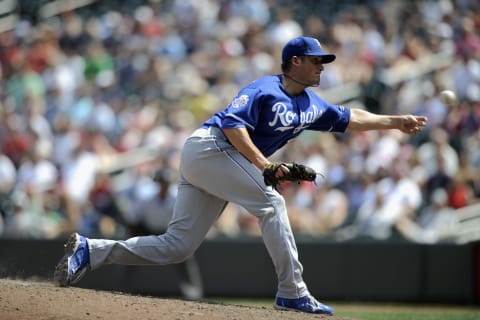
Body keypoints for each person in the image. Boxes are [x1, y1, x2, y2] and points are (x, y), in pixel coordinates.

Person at [53, 36, 427, 315]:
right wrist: (264, 166)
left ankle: (91, 250)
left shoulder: (312, 104)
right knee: (271, 202)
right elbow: (233, 125)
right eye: (315, 61)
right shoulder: (265, 88)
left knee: (177, 247)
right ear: (294, 62)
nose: (321, 67)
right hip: (210, 147)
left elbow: (350, 117)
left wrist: (395, 122)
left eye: (323, 62)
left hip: (219, 163)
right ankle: (292, 291)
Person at [124, 167, 204, 300]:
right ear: (155, 183)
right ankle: (121, 289)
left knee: (185, 254)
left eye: (165, 183)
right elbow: (132, 219)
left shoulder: (177, 196)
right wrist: (135, 238)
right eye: (160, 183)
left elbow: (185, 221)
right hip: (146, 230)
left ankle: (193, 293)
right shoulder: (145, 195)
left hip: (168, 231)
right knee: (129, 252)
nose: (163, 186)